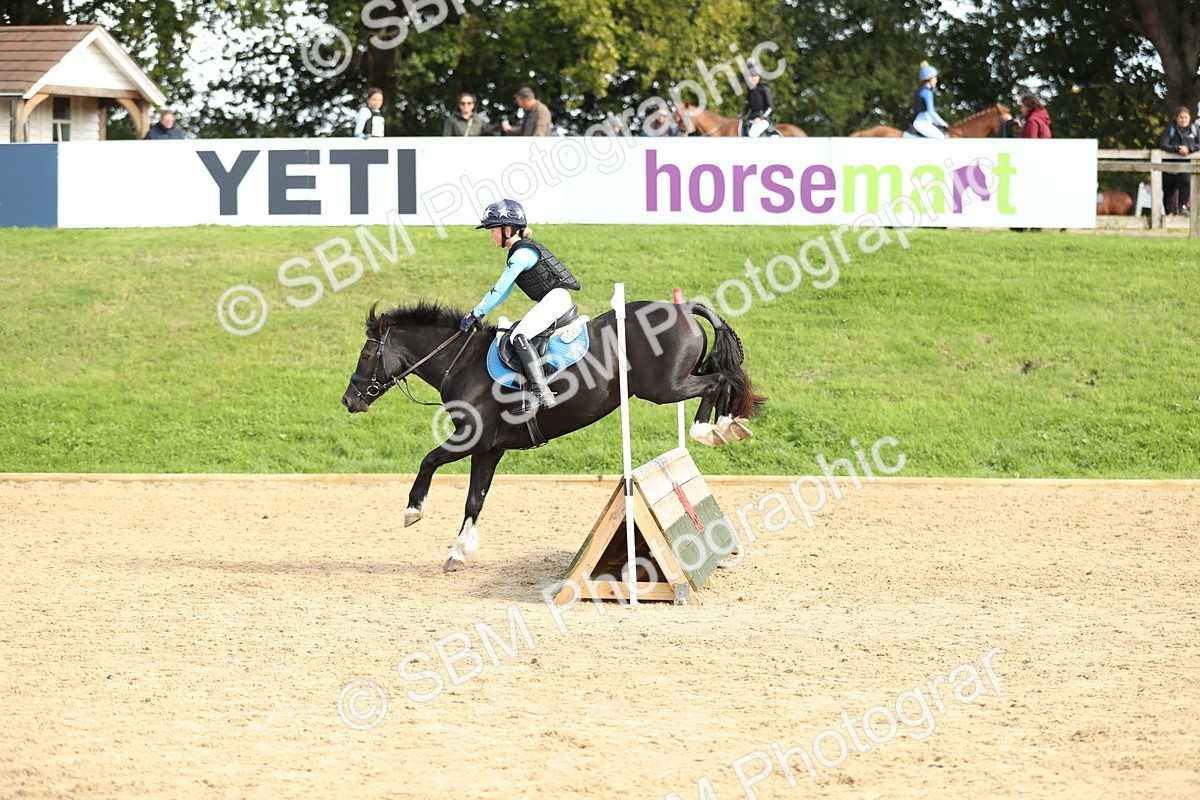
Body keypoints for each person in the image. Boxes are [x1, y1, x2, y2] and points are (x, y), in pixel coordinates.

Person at [459, 199, 580, 409]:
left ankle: (542, 393)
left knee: (518, 336)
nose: (490, 236)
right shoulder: (519, 251)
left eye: (493, 230)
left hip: (555, 299)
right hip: (553, 298)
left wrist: (475, 314)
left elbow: (499, 288)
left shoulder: (522, 254)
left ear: (508, 230)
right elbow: (504, 292)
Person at [1159, 105, 1200, 214]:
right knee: (1169, 189)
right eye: (1181, 117)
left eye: (1186, 117)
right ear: (1176, 118)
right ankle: (1169, 213)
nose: (1183, 120)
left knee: (1186, 183)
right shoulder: (1170, 130)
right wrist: (1177, 149)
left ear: (1190, 118)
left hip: (1187, 165)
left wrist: (1190, 149)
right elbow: (1163, 144)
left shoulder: (1194, 130)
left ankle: (1182, 207)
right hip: (1169, 165)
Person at [911, 62, 951, 138]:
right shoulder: (927, 92)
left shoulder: (921, 90)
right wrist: (944, 123)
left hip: (923, 122)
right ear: (930, 78)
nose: (936, 80)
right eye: (935, 78)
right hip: (922, 123)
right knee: (942, 138)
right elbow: (931, 112)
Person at [741, 64, 774, 137]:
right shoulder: (750, 91)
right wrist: (736, 118)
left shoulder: (764, 88)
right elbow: (745, 110)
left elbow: (770, 107)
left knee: (752, 134)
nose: (753, 78)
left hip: (762, 120)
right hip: (751, 119)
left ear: (759, 77)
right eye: (750, 76)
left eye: (755, 75)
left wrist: (761, 118)